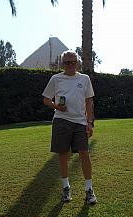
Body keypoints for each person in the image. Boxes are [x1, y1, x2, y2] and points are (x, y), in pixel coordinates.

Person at [42, 50, 97, 205]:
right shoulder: (56, 78)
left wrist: (90, 122)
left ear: (78, 63)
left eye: (73, 62)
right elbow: (46, 99)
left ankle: (89, 189)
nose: (70, 65)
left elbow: (89, 102)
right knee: (63, 154)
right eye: (67, 62)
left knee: (84, 153)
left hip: (80, 122)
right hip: (61, 120)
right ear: (62, 64)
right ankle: (66, 187)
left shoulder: (84, 79)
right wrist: (56, 106)